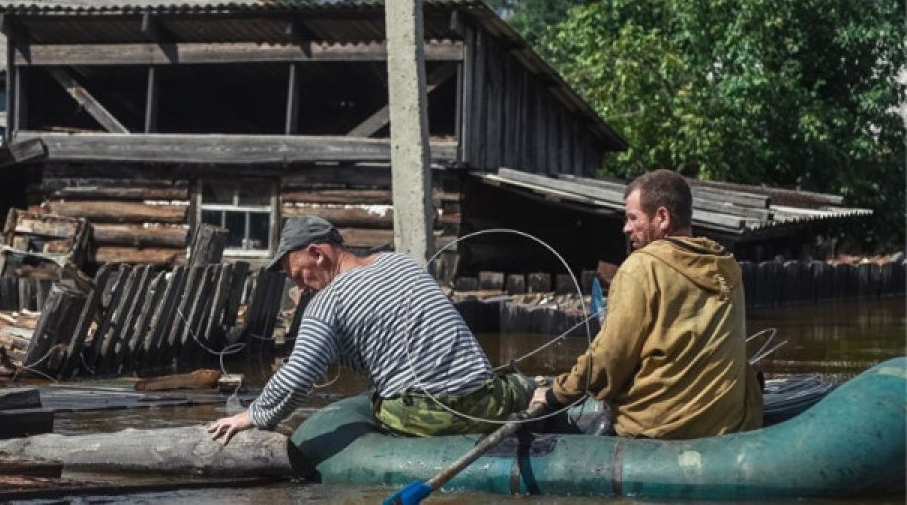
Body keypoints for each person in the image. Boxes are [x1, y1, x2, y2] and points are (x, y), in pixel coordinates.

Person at [208, 215, 533, 443]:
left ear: (316, 253)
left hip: (427, 417)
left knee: (379, 402)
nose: (300, 287)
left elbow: (298, 375)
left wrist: (252, 415)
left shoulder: (326, 304)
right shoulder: (400, 262)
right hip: (489, 401)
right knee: (523, 383)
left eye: (298, 275)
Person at [532, 169, 764, 439]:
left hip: (662, 427)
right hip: (731, 424)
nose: (626, 228)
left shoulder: (641, 267)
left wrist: (553, 395)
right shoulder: (726, 266)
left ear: (662, 217)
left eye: (633, 218)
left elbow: (609, 359)